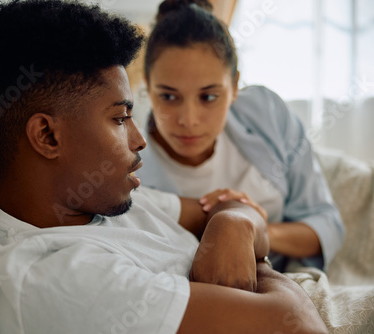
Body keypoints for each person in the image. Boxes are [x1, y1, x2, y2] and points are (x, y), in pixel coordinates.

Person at [0, 0, 327, 333]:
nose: (140, 139)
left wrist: (234, 223)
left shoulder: (93, 202)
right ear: (47, 135)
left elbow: (234, 210)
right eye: (120, 118)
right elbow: (293, 325)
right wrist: (252, 256)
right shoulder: (63, 278)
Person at [137, 0, 345, 272]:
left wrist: (253, 228)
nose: (188, 120)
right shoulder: (128, 164)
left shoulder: (266, 112)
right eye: (168, 96)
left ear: (235, 86)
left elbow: (326, 225)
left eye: (209, 96)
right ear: (148, 85)